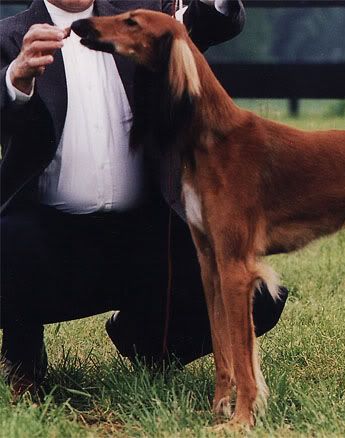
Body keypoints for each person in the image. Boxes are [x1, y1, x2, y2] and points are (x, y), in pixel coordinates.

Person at [0, 0, 288, 394]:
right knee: (11, 241)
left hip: (144, 231)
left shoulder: (144, 16)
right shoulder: (10, 35)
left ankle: (149, 340)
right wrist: (16, 78)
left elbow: (213, 21)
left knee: (259, 296)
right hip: (48, 237)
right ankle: (24, 354)